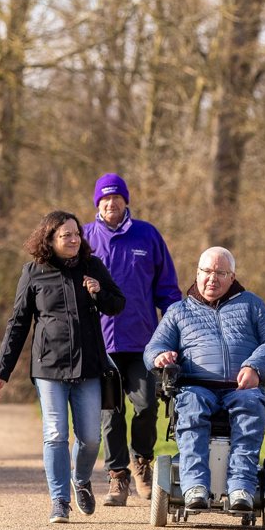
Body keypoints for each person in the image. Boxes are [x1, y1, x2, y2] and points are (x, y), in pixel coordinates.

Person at [0, 210, 126, 524]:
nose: (74, 240)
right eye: (66, 235)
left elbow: (117, 304)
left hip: (89, 367)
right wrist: (2, 371)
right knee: (55, 435)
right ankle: (59, 502)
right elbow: (18, 325)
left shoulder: (93, 266)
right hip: (48, 368)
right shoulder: (33, 272)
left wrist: (99, 292)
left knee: (91, 437)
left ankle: (80, 480)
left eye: (77, 234)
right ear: (49, 239)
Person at [143, 246, 265, 512]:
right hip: (195, 387)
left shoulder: (251, 305)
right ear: (197, 273)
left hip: (242, 388)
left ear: (232, 277)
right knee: (192, 408)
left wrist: (255, 367)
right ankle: (195, 486)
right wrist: (160, 357)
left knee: (249, 408)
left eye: (221, 272)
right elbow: (153, 348)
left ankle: (241, 487)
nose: (213, 278)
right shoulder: (178, 311)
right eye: (207, 271)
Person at [84, 172, 181, 503]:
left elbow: (167, 289)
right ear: (98, 203)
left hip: (142, 342)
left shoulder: (147, 235)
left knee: (145, 404)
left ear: (126, 201)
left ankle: (142, 462)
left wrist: (177, 327)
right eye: (104, 199)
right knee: (109, 414)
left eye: (116, 198)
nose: (111, 203)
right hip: (101, 345)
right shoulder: (84, 238)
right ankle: (117, 476)